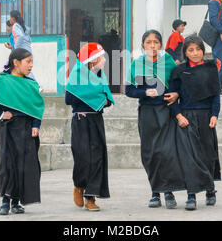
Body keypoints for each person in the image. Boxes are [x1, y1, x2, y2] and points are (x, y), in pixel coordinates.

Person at [0, 48, 45, 215]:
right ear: (16, 62)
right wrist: (1, 114)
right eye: (28, 62)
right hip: (9, 128)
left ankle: (16, 201)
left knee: (24, 166)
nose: (31, 65)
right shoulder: (2, 80)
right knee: (7, 164)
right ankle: (5, 201)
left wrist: (36, 125)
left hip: (26, 128)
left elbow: (36, 107)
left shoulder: (30, 84)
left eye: (32, 62)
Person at [125, 30, 186, 209]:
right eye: (148, 42)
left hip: (166, 111)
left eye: (156, 42)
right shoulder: (136, 64)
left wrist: (176, 94)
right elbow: (129, 90)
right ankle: (155, 193)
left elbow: (178, 86)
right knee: (150, 153)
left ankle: (169, 192)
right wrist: (144, 91)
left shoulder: (168, 62)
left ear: (161, 45)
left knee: (167, 152)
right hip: (147, 113)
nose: (152, 46)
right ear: (143, 45)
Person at [169, 35, 221, 211]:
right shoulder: (179, 71)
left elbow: (215, 95)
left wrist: (215, 115)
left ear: (203, 50)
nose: (195, 53)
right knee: (189, 157)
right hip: (186, 118)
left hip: (206, 117)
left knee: (207, 154)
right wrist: (178, 116)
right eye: (190, 50)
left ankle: (210, 189)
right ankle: (191, 195)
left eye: (198, 49)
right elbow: (171, 98)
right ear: (185, 52)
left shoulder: (210, 68)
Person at [65, 42, 114, 212]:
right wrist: (92, 96)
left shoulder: (101, 77)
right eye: (101, 58)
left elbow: (107, 101)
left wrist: (99, 100)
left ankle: (91, 197)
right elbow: (69, 99)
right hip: (81, 121)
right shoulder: (77, 75)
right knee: (83, 157)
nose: (104, 61)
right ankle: (79, 185)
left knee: (97, 159)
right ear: (93, 60)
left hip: (96, 121)